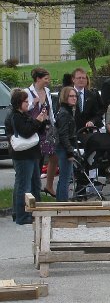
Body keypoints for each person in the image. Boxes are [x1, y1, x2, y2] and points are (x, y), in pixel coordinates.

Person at [6, 89, 48, 224]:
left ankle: (32, 212)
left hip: (32, 154)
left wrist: (42, 120)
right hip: (23, 155)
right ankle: (22, 215)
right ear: (19, 103)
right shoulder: (15, 116)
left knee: (34, 183)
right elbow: (26, 132)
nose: (28, 103)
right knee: (24, 186)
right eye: (25, 101)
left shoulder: (24, 114)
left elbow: (35, 129)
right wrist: (37, 121)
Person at [27, 67, 58, 197]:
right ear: (38, 78)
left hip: (47, 127)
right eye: (45, 78)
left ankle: (49, 185)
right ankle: (33, 189)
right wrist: (33, 104)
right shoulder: (28, 92)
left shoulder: (47, 91)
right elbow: (24, 109)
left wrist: (54, 123)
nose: (48, 81)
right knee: (37, 158)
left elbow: (50, 110)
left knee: (54, 154)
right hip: (35, 128)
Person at [54, 87, 79, 201]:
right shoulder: (64, 112)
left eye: (75, 96)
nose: (74, 98)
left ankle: (60, 203)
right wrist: (70, 151)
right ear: (65, 97)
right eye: (71, 96)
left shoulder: (67, 110)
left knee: (64, 177)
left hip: (65, 146)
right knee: (65, 178)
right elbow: (63, 134)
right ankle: (62, 203)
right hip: (63, 147)